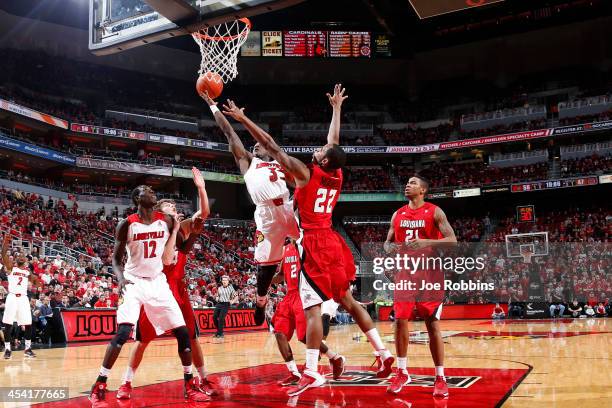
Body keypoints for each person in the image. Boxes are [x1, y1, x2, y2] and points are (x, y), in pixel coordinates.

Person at [228, 84, 395, 396]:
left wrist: (242, 119)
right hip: (334, 241)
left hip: (314, 245)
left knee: (312, 309)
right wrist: (336, 109)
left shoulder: (307, 174)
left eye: (319, 153)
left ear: (324, 162)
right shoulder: (336, 173)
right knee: (348, 300)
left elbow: (270, 145)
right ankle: (384, 354)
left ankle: (312, 372)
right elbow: (334, 142)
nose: (316, 150)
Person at [88, 185, 209, 407]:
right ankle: (100, 383)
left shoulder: (168, 221)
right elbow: (115, 259)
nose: (151, 190)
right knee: (124, 333)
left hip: (158, 283)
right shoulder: (127, 224)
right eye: (146, 190)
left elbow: (182, 249)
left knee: (183, 333)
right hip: (133, 282)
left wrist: (196, 234)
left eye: (152, 189)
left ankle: (189, 384)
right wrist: (120, 278)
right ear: (137, 198)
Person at [116, 168, 217, 400]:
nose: (175, 208)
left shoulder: (180, 227)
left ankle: (202, 379)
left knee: (191, 336)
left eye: (174, 206)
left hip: (178, 288)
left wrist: (201, 188)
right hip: (156, 286)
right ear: (159, 213)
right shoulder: (157, 226)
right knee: (143, 340)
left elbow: (204, 213)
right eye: (169, 206)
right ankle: (126, 382)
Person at [200, 91, 299, 327]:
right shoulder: (247, 162)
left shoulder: (280, 162)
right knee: (266, 265)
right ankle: (261, 299)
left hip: (287, 207)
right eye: (253, 144)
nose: (255, 145)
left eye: (259, 144)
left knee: (312, 243)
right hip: (266, 215)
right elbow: (229, 132)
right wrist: (214, 107)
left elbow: (301, 183)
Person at [383, 175, 457, 397]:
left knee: (432, 323)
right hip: (405, 271)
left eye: (413, 183)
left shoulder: (435, 211)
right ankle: (402, 371)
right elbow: (387, 242)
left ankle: (440, 377)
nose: (408, 185)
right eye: (407, 182)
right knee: (399, 320)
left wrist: (428, 242)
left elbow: (452, 240)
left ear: (423, 190)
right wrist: (389, 247)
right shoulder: (397, 214)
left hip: (430, 272)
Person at [271, 239, 345, 386]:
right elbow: (281, 275)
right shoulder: (285, 250)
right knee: (279, 332)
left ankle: (335, 357)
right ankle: (293, 373)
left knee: (305, 337)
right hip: (289, 296)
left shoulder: (305, 245)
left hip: (304, 294)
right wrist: (266, 280)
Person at [2, 235, 36, 359]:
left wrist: (35, 292)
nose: (21, 256)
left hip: (23, 298)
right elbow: (3, 255)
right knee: (8, 324)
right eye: (19, 255)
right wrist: (5, 243)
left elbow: (37, 283)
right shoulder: (11, 268)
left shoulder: (27, 272)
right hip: (12, 297)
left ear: (26, 260)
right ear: (16, 259)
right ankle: (7, 349)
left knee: (28, 323)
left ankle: (27, 349)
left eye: (23, 255)